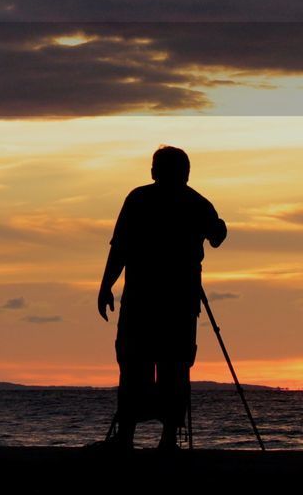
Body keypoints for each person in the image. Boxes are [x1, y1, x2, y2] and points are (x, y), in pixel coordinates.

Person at [96, 145, 227, 450]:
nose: (154, 172)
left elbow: (119, 249)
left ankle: (132, 437)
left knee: (141, 366)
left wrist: (105, 286)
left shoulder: (139, 199)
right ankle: (163, 438)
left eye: (156, 167)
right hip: (176, 302)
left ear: (158, 171)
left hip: (146, 301)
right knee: (169, 367)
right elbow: (217, 237)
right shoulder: (196, 202)